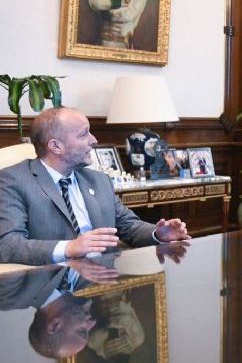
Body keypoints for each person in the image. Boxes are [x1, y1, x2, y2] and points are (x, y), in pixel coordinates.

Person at [0, 107, 190, 266]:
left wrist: (158, 234)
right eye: (84, 134)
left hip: (105, 280)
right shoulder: (13, 181)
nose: (94, 140)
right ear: (56, 146)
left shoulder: (98, 180)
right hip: (53, 288)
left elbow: (128, 225)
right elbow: (8, 244)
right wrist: (69, 248)